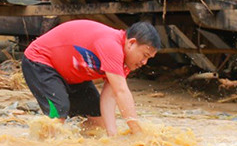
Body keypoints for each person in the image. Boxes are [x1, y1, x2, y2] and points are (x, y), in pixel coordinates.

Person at [21, 20, 160, 136]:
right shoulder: (112, 45)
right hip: (39, 62)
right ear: (131, 43)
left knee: (99, 123)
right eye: (145, 55)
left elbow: (110, 96)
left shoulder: (125, 63)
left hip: (72, 75)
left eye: (149, 58)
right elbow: (121, 92)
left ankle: (76, 145)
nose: (144, 62)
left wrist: (113, 136)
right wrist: (138, 133)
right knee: (59, 111)